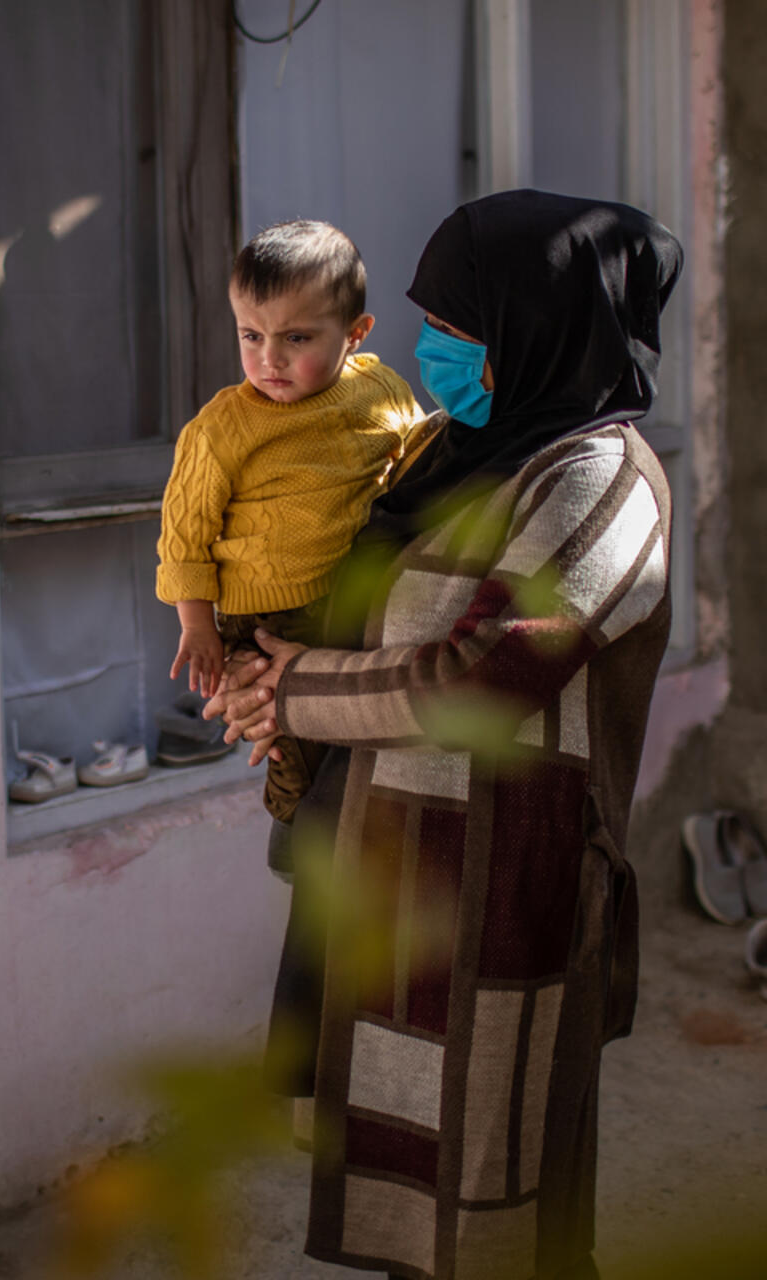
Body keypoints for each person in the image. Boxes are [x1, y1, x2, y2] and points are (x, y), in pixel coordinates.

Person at [206, 190, 682, 1280]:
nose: (436, 351)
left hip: (503, 885)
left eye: (462, 327)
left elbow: (489, 671)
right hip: (391, 866)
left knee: (498, 1195)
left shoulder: (600, 480)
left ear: (539, 327)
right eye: (435, 323)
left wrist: (296, 692)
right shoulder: (449, 452)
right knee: (408, 1196)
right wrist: (253, 665)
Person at [156, 220, 427, 836]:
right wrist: (197, 626)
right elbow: (184, 537)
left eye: (296, 338)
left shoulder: (379, 391)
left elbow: (419, 458)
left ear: (355, 334)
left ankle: (362, 836)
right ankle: (303, 831)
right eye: (251, 336)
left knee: (363, 734)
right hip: (268, 619)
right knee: (292, 745)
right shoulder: (220, 429)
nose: (269, 359)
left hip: (358, 598)